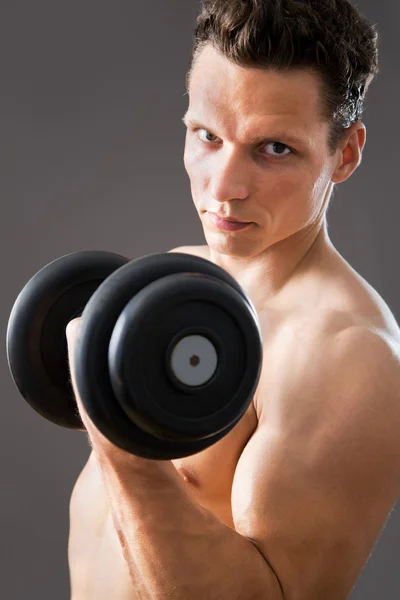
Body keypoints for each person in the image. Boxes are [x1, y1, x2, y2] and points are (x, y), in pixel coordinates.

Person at [66, 1, 400, 599]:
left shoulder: (351, 358)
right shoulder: (174, 283)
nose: (223, 188)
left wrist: (124, 450)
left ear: (344, 154)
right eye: (208, 136)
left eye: (274, 149)